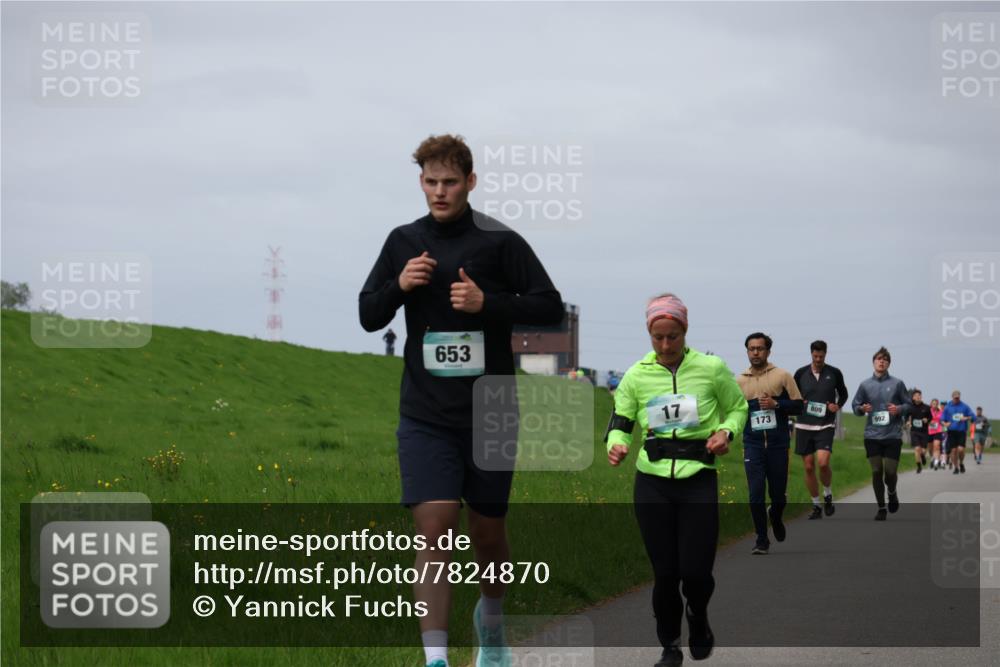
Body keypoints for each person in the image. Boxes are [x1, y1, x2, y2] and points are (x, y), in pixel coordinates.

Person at [358, 134, 564, 667]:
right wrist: (399, 286)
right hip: (426, 413)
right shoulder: (402, 241)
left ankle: (491, 628)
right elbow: (368, 314)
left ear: (470, 182)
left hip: (491, 409)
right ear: (420, 182)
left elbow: (548, 307)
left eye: (450, 182)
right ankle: (436, 660)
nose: (440, 191)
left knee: (488, 533)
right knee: (435, 526)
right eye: (431, 182)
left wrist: (486, 303)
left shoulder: (500, 242)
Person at [606, 294, 747, 667]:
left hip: (698, 478)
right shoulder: (637, 375)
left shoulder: (711, 368)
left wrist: (726, 434)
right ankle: (670, 644)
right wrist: (617, 444)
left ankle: (698, 617)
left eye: (673, 337)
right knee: (665, 573)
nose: (666, 346)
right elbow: (621, 419)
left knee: (696, 573)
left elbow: (737, 408)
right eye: (658, 338)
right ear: (649, 335)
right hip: (652, 481)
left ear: (685, 331)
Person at [736, 333, 804, 554]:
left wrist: (777, 404)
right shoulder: (739, 381)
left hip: (777, 445)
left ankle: (775, 515)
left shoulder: (782, 376)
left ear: (768, 351)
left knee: (777, 495)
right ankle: (761, 539)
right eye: (751, 349)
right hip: (752, 445)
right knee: (755, 494)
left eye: (760, 348)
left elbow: (798, 406)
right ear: (747, 351)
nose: (755, 352)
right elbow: (734, 411)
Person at [851, 347, 912, 520]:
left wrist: (898, 408)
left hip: (892, 435)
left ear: (889, 363)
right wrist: (862, 408)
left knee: (890, 472)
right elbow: (855, 407)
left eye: (885, 359)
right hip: (872, 436)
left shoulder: (897, 383)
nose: (881, 361)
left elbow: (909, 405)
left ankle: (892, 492)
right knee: (877, 470)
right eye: (879, 358)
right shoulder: (865, 385)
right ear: (874, 362)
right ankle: (881, 507)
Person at [792, 340, 849, 519]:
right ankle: (816, 505)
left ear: (826, 354)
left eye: (821, 356)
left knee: (823, 463)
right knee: (809, 467)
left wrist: (837, 405)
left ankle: (828, 493)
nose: (818, 359)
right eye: (815, 356)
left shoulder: (834, 373)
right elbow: (793, 396)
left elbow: (844, 393)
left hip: (825, 424)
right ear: (811, 354)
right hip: (803, 425)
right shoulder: (800, 373)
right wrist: (800, 403)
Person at [941, 390, 976, 474]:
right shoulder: (948, 407)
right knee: (953, 450)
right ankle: (956, 467)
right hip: (951, 432)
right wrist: (945, 424)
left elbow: (973, 417)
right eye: (955, 398)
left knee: (960, 450)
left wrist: (966, 418)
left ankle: (961, 463)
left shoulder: (964, 406)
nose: (957, 399)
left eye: (958, 397)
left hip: (961, 431)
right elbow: (942, 420)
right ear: (952, 397)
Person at [907, 389, 933, 473]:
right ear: (913, 398)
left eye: (919, 395)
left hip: (924, 431)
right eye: (916, 396)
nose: (918, 397)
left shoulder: (927, 407)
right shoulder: (910, 407)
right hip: (914, 431)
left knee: (923, 450)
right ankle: (918, 466)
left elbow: (930, 417)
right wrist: (908, 422)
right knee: (917, 448)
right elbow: (906, 416)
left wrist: (927, 420)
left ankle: (923, 456)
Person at [928, 398, 945, 470]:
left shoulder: (941, 412)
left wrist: (944, 423)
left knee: (937, 446)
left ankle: (936, 461)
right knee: (930, 448)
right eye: (933, 403)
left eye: (936, 404)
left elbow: (943, 421)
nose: (934, 405)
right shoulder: (928, 411)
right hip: (929, 431)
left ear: (937, 404)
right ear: (931, 404)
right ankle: (932, 458)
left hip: (938, 431)